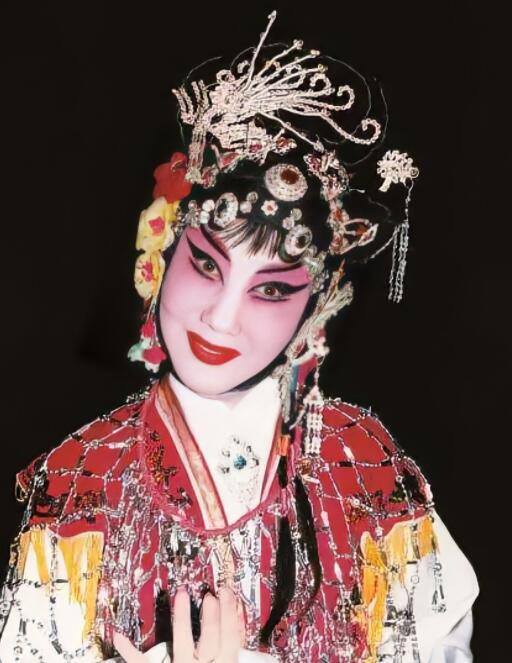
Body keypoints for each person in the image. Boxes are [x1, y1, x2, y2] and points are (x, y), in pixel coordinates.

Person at [0, 11, 478, 663]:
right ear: (160, 250)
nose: (222, 320)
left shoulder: (361, 463)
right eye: (205, 265)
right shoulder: (83, 478)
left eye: (272, 290)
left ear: (317, 307)